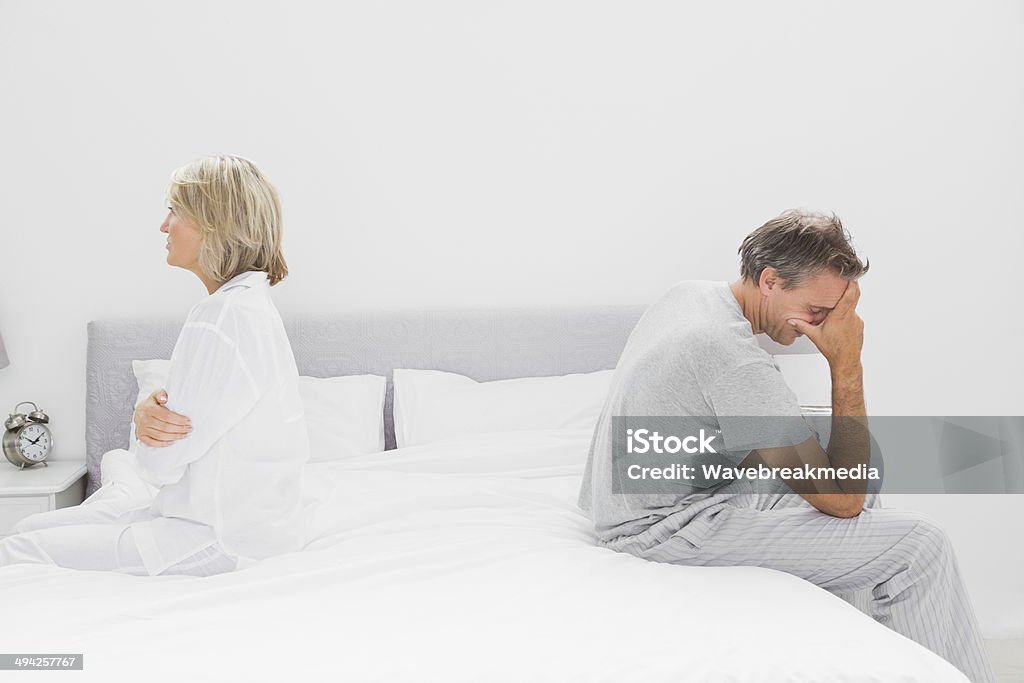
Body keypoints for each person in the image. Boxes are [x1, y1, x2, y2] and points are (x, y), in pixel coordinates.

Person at [578, 209, 995, 683]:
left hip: (656, 493)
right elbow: (843, 499)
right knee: (920, 544)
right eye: (818, 311)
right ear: (771, 280)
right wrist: (847, 362)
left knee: (847, 460)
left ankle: (858, 661)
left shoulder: (692, 295)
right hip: (660, 531)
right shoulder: (729, 356)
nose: (822, 326)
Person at [0, 155, 309, 578]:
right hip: (253, 532)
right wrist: (147, 410)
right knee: (29, 526)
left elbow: (159, 467)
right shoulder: (250, 304)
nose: (164, 227)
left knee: (18, 548)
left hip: (214, 540)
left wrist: (144, 419)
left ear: (213, 223)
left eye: (174, 211)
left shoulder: (219, 318)